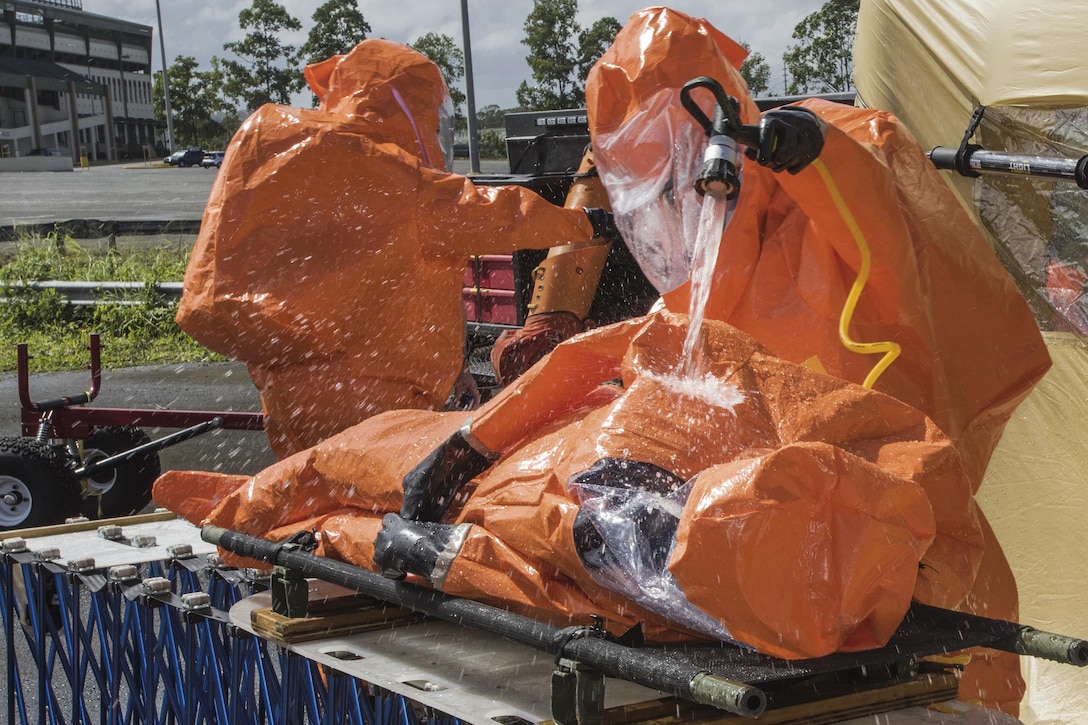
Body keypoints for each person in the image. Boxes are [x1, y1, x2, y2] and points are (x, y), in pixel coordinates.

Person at [156, 7, 1049, 715]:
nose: (663, 213)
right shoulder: (719, 254)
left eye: (663, 181)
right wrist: (477, 437)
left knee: (417, 500)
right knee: (417, 485)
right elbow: (627, 348)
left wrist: (813, 159)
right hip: (726, 516)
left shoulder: (820, 161)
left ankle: (261, 500)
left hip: (852, 530)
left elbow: (886, 229)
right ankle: (265, 499)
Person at [177, 39, 617, 458]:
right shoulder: (390, 179)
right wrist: (583, 222)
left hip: (292, 383)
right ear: (403, 107)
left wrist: (450, 373)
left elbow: (381, 298)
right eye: (430, 114)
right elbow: (494, 214)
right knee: (375, 509)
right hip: (365, 394)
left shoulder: (310, 155)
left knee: (316, 500)